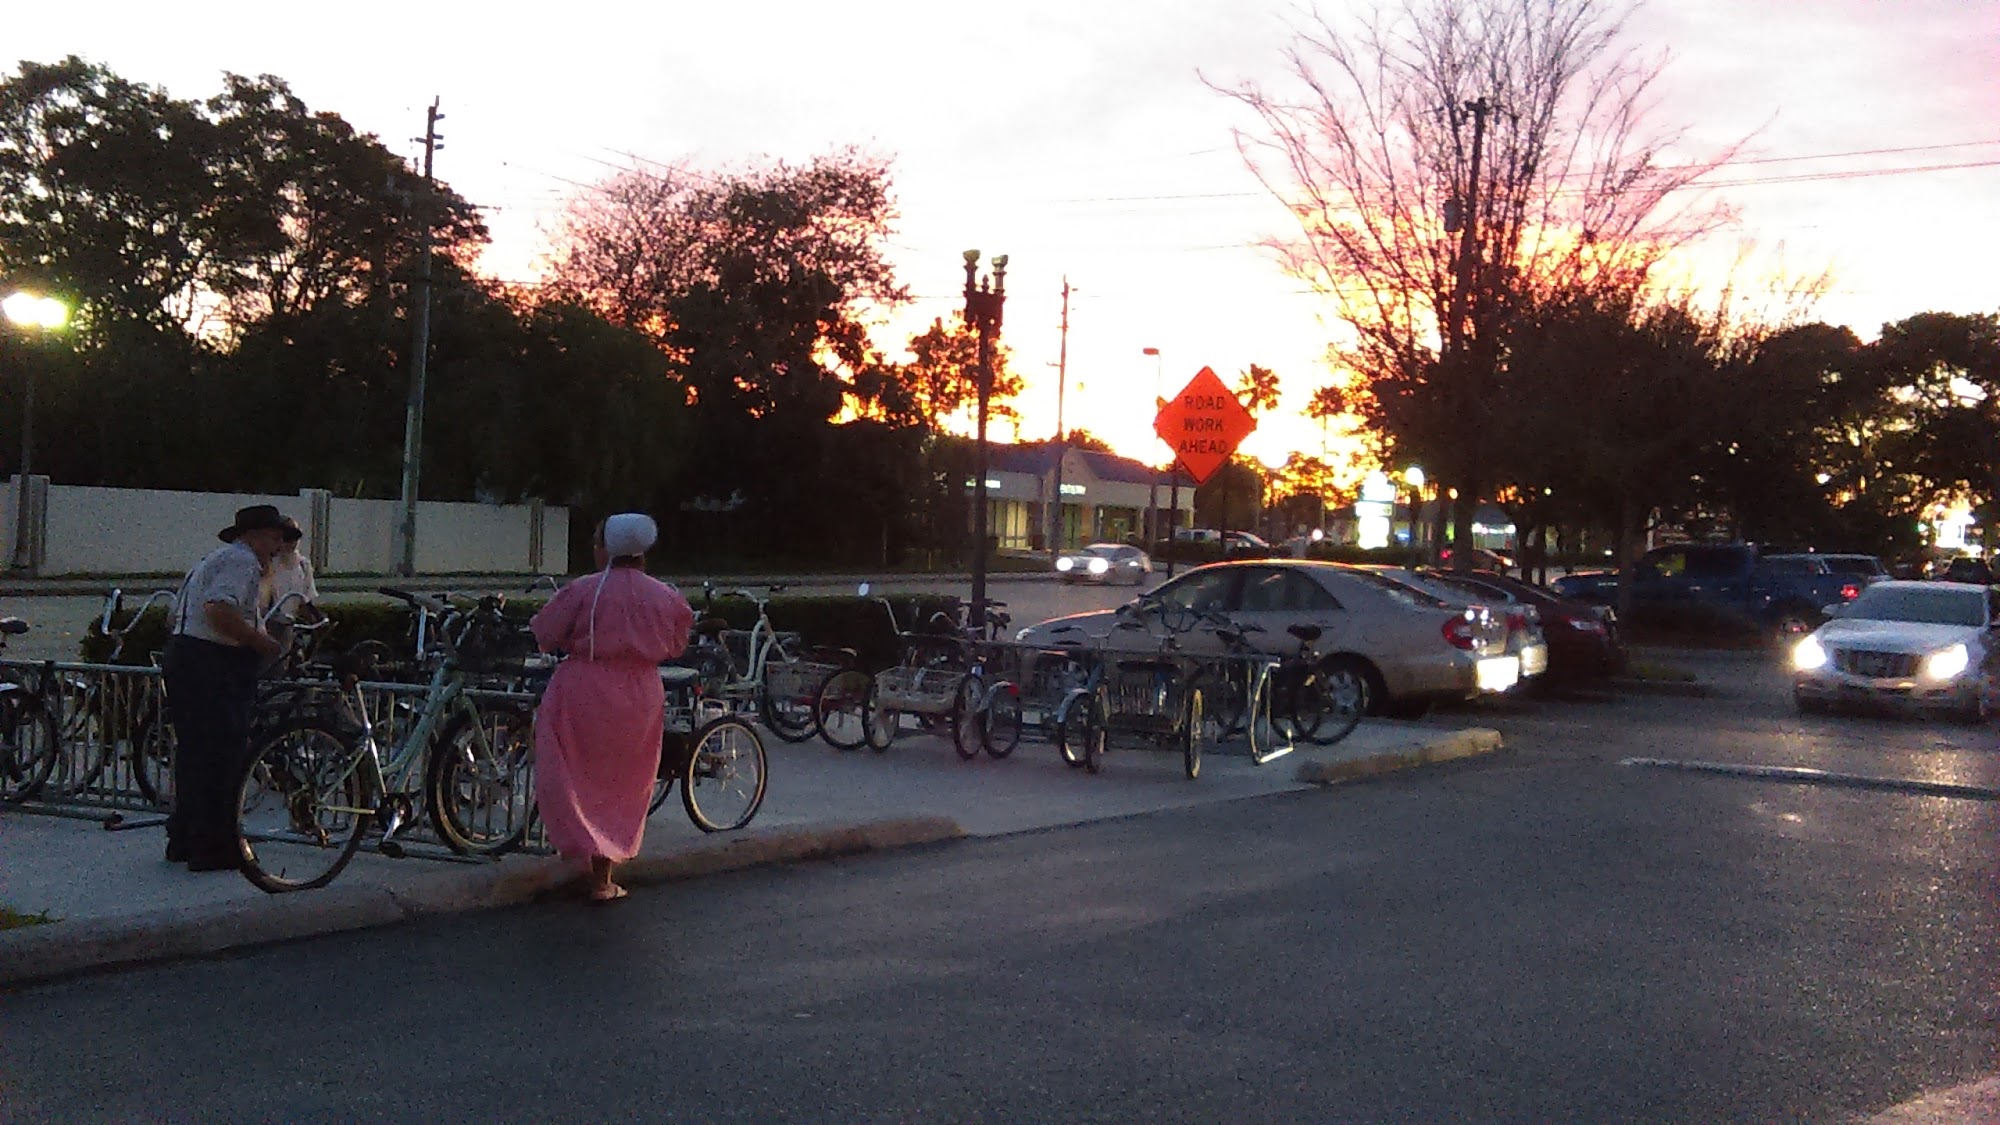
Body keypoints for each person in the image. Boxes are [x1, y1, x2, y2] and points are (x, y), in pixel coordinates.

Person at [530, 513, 693, 902]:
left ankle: (575, 856)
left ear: (607, 549)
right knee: (624, 782)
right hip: (640, 695)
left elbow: (544, 633)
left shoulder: (584, 589)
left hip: (581, 687)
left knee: (568, 774)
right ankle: (603, 874)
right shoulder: (666, 596)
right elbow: (677, 642)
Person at [161, 505, 290, 871]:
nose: (278, 547)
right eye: (274, 538)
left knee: (195, 753)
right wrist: (262, 643)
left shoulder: (214, 559)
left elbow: (176, 614)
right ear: (255, 536)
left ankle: (185, 836)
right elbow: (219, 610)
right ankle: (214, 845)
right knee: (222, 754)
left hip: (187, 655)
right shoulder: (241, 562)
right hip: (214, 663)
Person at [260, 517, 321, 667]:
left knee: (283, 667)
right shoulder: (266, 563)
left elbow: (304, 601)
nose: (291, 543)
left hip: (287, 627)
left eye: (295, 538)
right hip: (264, 625)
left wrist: (317, 619)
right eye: (288, 538)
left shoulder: (303, 565)